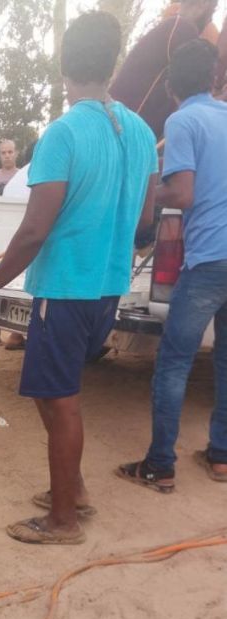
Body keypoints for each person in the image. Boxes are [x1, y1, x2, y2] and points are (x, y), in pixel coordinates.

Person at [0, 10, 157, 545]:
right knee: (59, 394)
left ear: (65, 69)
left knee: (59, 398)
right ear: (112, 64)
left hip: (66, 286)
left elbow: (33, 230)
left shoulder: (64, 133)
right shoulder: (141, 131)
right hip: (107, 286)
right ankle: (72, 494)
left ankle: (64, 520)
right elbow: (145, 219)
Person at [118, 40, 227, 491]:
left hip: (209, 263)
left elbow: (181, 195)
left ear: (170, 86)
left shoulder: (183, 119)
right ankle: (221, 456)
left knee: (174, 361)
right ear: (215, 78)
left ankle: (160, 464)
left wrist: (143, 193)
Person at [109, 0, 217, 139]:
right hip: (125, 129)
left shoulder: (172, 26)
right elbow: (196, 91)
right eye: (213, 12)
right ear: (203, 5)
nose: (210, 20)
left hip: (116, 120)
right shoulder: (182, 29)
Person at [0, 139, 26, 350]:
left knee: (15, 279)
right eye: (3, 152)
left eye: (10, 151)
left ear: (16, 153)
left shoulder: (23, 176)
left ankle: (16, 334)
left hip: (17, 233)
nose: (7, 155)